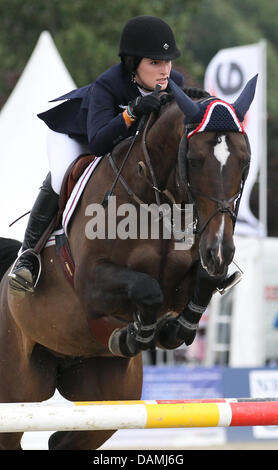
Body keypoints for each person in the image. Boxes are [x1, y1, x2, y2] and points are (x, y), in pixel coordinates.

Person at [8, 16, 240, 347]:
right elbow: (100, 141)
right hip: (81, 133)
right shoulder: (108, 85)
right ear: (133, 64)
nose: (164, 70)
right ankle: (28, 256)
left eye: (167, 61)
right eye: (155, 62)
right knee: (62, 175)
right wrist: (131, 112)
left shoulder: (171, 82)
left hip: (129, 149)